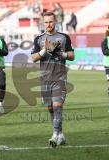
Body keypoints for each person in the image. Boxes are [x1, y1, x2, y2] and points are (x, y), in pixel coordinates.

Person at [31, 12, 74, 147]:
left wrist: (60, 53)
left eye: (51, 21)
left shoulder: (64, 37)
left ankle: (55, 135)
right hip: (45, 78)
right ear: (43, 23)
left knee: (57, 106)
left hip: (59, 77)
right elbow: (33, 58)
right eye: (46, 22)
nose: (48, 24)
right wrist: (44, 50)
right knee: (50, 108)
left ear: (55, 22)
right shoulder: (39, 39)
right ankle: (60, 134)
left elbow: (72, 55)